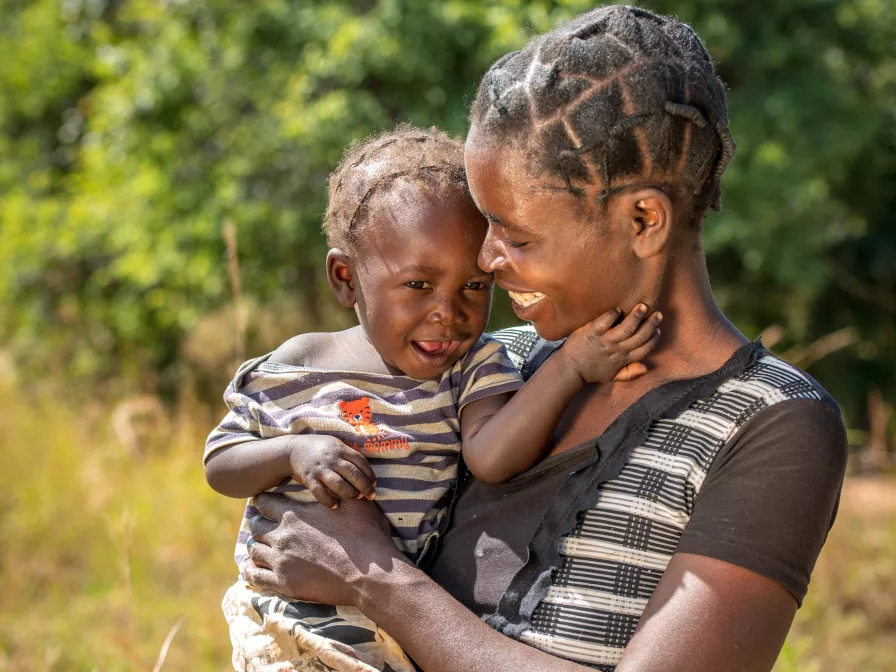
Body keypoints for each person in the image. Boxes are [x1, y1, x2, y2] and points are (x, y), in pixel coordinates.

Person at [240, 7, 849, 672]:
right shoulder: (497, 364)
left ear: (644, 218)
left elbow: (365, 566)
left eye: (517, 236)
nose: (488, 261)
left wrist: (376, 579)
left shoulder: (771, 424)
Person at [203, 125, 660, 672]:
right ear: (346, 278)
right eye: (418, 285)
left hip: (396, 625)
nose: (449, 311)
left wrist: (570, 366)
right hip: (282, 609)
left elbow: (490, 456)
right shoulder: (300, 363)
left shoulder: (472, 368)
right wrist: (292, 453)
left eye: (474, 286)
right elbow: (220, 466)